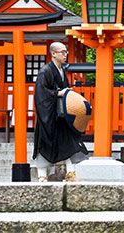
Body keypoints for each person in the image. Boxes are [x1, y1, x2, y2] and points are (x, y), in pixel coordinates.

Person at [32, 42, 88, 182]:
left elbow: (65, 90)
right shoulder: (45, 71)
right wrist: (58, 93)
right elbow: (41, 94)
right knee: (46, 144)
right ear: (53, 54)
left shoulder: (62, 70)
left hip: (61, 116)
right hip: (49, 116)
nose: (65, 54)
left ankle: (71, 173)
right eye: (62, 52)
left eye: (66, 52)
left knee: (69, 142)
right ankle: (42, 174)